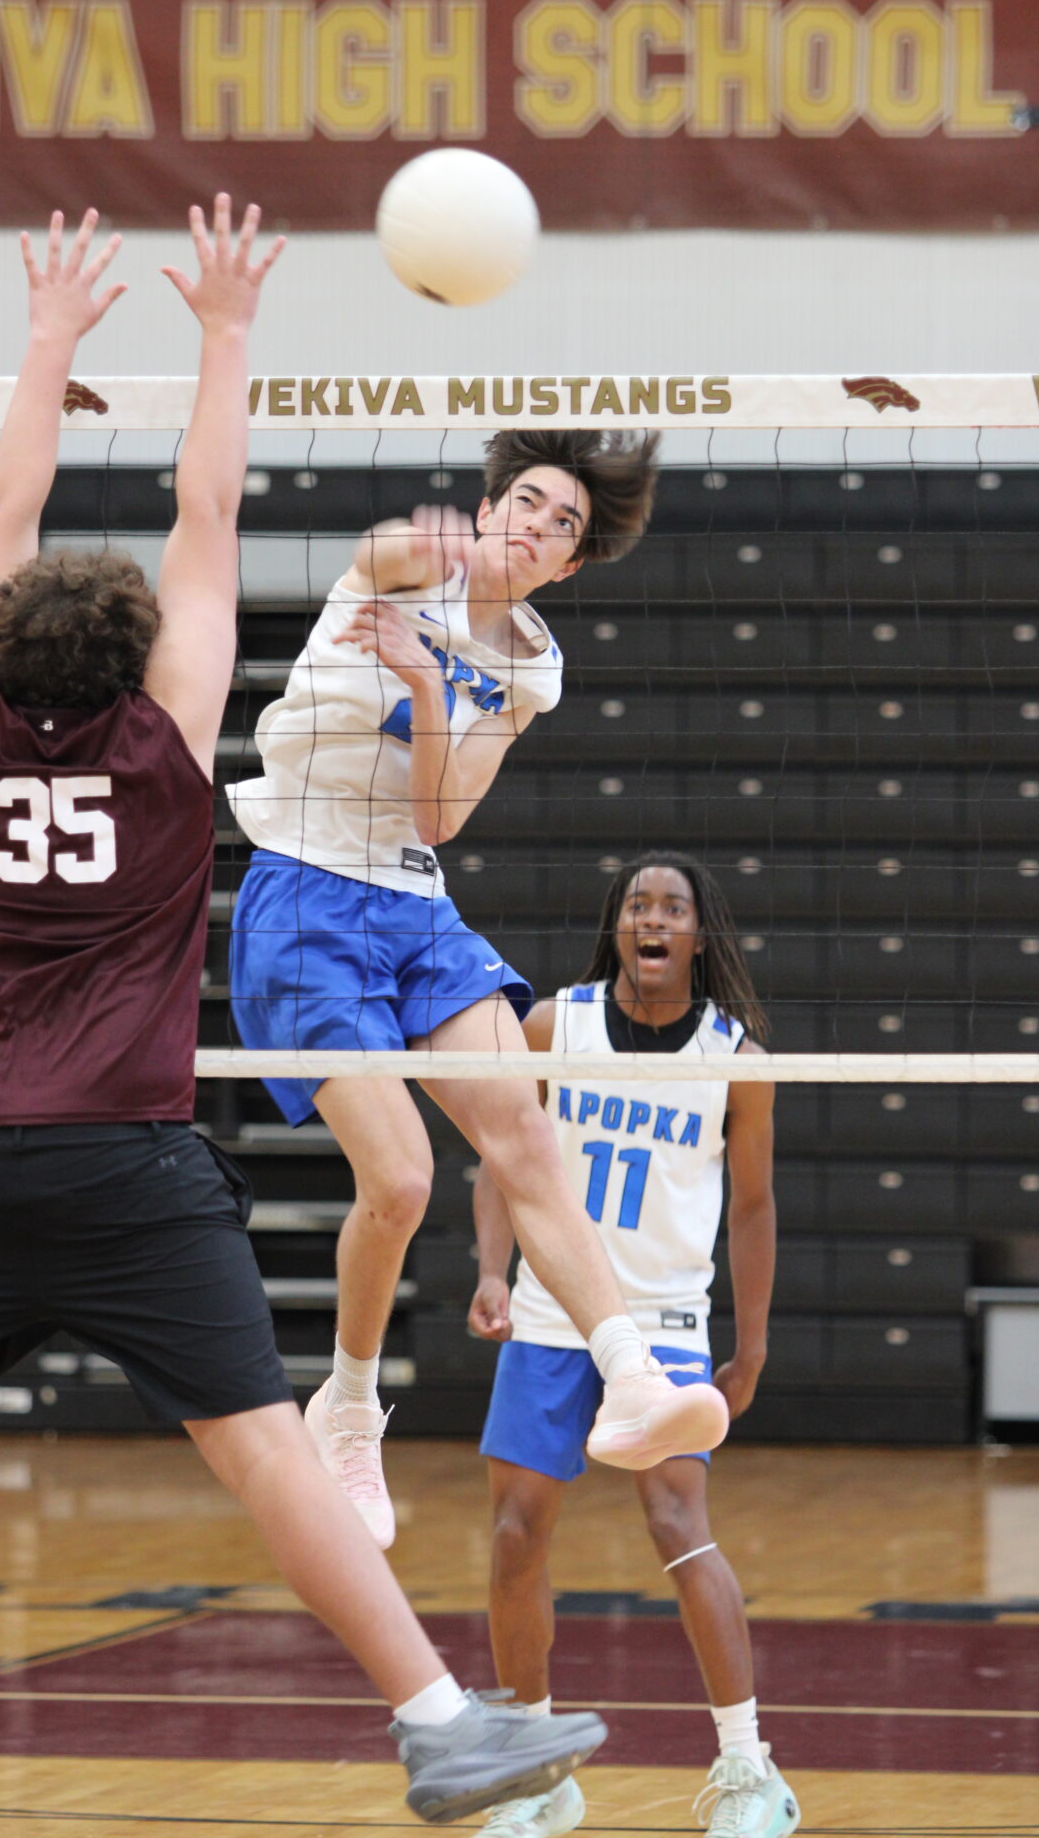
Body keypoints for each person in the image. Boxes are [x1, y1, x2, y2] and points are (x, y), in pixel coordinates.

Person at [0, 203, 608, 1824]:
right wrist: (223, 330)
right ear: (146, 667)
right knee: (272, 1450)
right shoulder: (169, 747)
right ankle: (436, 1719)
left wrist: (49, 340)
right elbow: (208, 508)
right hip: (127, 1169)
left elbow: (7, 509)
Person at [226, 434, 730, 1550]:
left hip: (414, 900)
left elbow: (440, 817)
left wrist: (423, 682)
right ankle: (349, 1406)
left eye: (562, 528)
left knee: (528, 1139)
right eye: (529, 504)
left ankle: (632, 1377)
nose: (539, 528)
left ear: (570, 566)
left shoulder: (531, 664)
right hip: (304, 896)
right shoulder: (410, 570)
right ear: (490, 503)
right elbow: (377, 548)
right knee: (400, 1180)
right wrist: (426, 541)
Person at [468, 852, 801, 1838]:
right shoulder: (549, 1026)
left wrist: (754, 1344)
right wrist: (492, 1267)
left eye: (673, 906)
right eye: (637, 904)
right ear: (617, 926)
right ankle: (536, 1770)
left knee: (675, 1516)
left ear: (699, 936)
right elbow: (500, 1164)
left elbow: (751, 1206)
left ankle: (750, 1767)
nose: (653, 918)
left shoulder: (735, 1058)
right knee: (516, 1532)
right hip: (549, 1313)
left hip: (662, 1321)